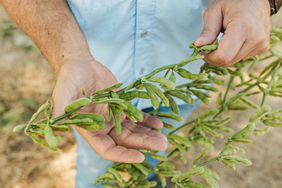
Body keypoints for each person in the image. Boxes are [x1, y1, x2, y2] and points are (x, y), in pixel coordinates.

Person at [1, 0, 280, 187]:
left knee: (155, 152)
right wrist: (71, 56)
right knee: (98, 172)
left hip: (183, 74)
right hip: (91, 79)